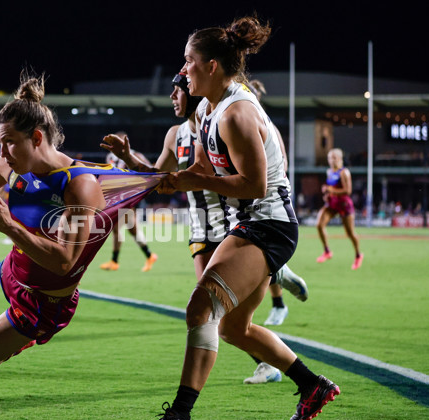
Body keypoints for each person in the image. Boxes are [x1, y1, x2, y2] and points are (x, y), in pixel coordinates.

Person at [132, 17, 339, 420]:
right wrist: (179, 178)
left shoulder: (237, 113)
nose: (183, 69)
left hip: (268, 225)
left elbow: (255, 184)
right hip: (250, 223)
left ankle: (180, 417)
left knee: (200, 309)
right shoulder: (210, 108)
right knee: (232, 329)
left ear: (211, 66)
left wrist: (194, 180)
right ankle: (312, 385)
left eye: (188, 62)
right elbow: (206, 167)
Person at [0, 73, 163, 378]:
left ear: (36, 138)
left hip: (42, 304)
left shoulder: (78, 186)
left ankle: (22, 339)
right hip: (12, 274)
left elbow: (64, 262)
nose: (1, 154)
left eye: (9, 143)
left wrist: (10, 227)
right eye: (0, 143)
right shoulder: (12, 165)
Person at [102, 73, 308, 387]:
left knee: (208, 312)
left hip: (235, 227)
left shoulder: (228, 122)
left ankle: (186, 408)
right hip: (200, 230)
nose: (172, 96)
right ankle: (282, 360)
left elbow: (267, 177)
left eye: (177, 89)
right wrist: (129, 158)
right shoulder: (176, 134)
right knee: (221, 318)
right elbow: (161, 178)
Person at [248, 79, 308, 329]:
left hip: (263, 198)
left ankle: (278, 304)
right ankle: (280, 284)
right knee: (257, 255)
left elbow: (280, 162)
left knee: (260, 253)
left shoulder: (261, 123)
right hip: (251, 197)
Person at [100, 131, 158, 272]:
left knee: (116, 228)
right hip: (117, 196)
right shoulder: (110, 155)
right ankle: (149, 255)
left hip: (127, 197)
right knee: (132, 230)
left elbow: (149, 170)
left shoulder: (134, 155)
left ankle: (114, 261)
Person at [316, 148, 363, 269]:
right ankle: (327, 251)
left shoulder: (344, 172)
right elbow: (330, 187)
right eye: (330, 158)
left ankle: (358, 255)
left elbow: (348, 191)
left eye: (334, 158)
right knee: (319, 224)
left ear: (340, 159)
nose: (331, 160)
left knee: (350, 233)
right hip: (332, 203)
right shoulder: (329, 171)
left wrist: (331, 190)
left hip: (344, 204)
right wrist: (326, 193)